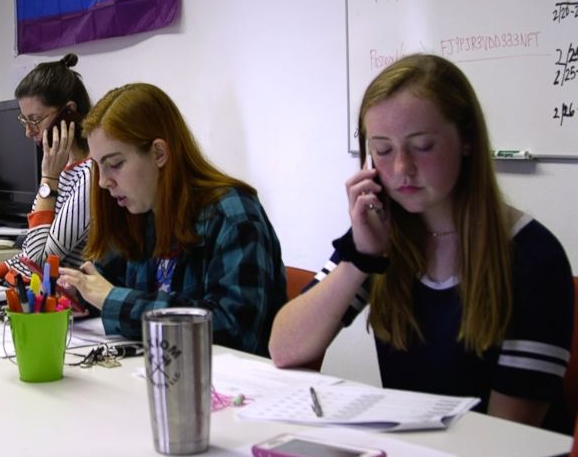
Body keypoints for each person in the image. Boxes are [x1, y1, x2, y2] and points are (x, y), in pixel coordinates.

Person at [268, 54, 573, 429]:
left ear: (467, 140)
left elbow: (508, 436)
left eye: (423, 146)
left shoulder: (534, 258)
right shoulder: (380, 236)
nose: (401, 169)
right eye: (382, 150)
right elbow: (284, 349)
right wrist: (361, 258)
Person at [58, 83, 287, 355]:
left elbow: (234, 329)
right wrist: (76, 292)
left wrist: (111, 299)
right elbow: (103, 279)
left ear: (159, 153)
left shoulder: (233, 213)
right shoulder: (137, 210)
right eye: (98, 166)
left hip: (231, 388)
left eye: (116, 164)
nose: (104, 182)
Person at [0, 53, 94, 283]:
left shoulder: (91, 175)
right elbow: (30, 249)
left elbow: (39, 262)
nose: (29, 132)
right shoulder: (64, 169)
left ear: (68, 112)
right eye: (24, 121)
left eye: (35, 120)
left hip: (71, 306)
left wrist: (48, 179)